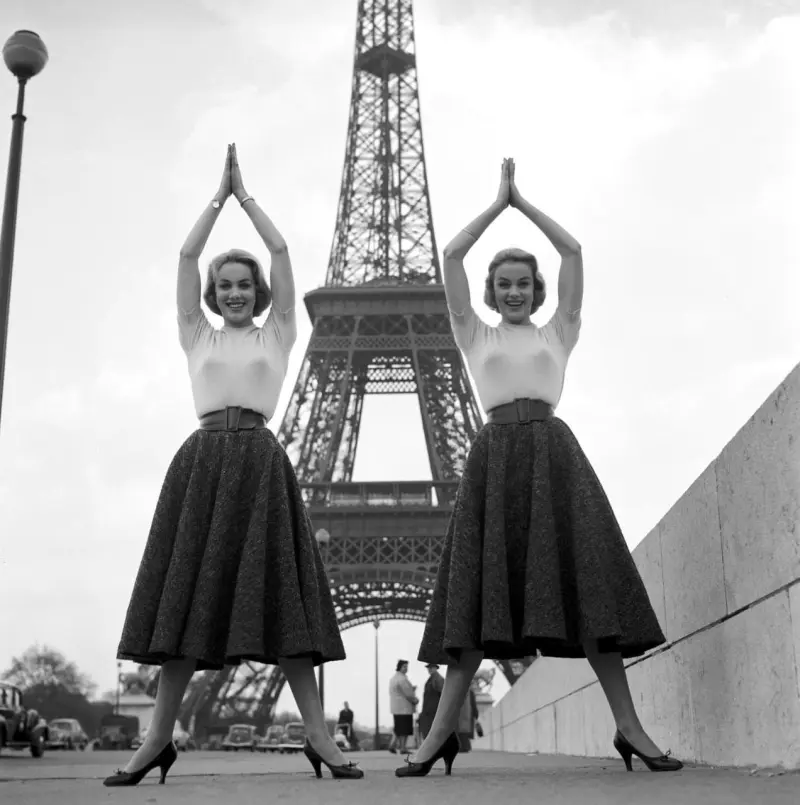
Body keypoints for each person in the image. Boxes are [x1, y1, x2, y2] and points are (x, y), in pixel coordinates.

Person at [396, 158, 683, 779]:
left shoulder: (559, 332)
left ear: (538, 288)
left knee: (592, 602)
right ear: (491, 292)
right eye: (504, 283)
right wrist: (494, 208)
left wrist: (522, 205)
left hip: (553, 462)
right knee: (475, 610)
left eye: (524, 282)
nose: (515, 291)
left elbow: (574, 251)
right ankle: (440, 732)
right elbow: (450, 256)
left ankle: (629, 727)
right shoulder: (472, 333)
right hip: (495, 461)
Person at [103, 144, 363, 786]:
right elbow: (187, 258)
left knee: (287, 612)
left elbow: (280, 256)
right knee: (184, 613)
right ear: (214, 296)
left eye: (245, 285)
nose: (236, 292)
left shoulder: (278, 334)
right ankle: (155, 741)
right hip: (201, 467)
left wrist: (249, 200)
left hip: (258, 463)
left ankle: (320, 739)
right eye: (227, 286)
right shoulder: (197, 333)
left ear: (258, 292)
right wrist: (217, 198)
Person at [388, 660, 418, 754]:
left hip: (396, 708)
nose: (406, 668)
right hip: (404, 708)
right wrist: (415, 700)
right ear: (400, 667)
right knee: (404, 730)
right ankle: (403, 748)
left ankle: (392, 745)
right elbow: (408, 693)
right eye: (404, 666)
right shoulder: (402, 679)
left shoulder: (393, 678)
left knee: (398, 729)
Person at [417, 663, 444, 740]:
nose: (429, 669)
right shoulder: (431, 679)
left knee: (431, 730)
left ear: (436, 668)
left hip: (434, 710)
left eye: (431, 667)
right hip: (428, 710)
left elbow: (443, 694)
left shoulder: (438, 679)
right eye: (429, 668)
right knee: (427, 729)